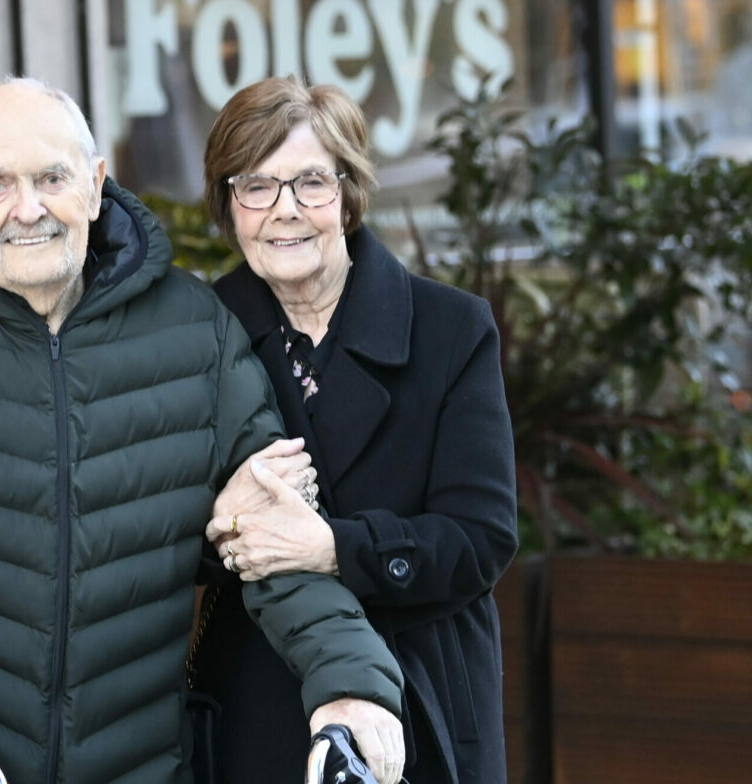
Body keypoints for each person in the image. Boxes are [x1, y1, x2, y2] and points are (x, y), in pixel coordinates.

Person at [0, 77, 405, 784]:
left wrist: (354, 686)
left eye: (52, 177)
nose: (29, 209)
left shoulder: (194, 329)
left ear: (97, 184)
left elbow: (270, 530)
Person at [195, 76, 519, 784]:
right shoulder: (201, 331)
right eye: (255, 185)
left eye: (310, 182)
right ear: (229, 203)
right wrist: (219, 528)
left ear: (347, 193)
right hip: (260, 700)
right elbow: (151, 527)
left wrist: (334, 547)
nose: (284, 212)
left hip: (417, 698)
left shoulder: (450, 330)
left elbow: (481, 538)